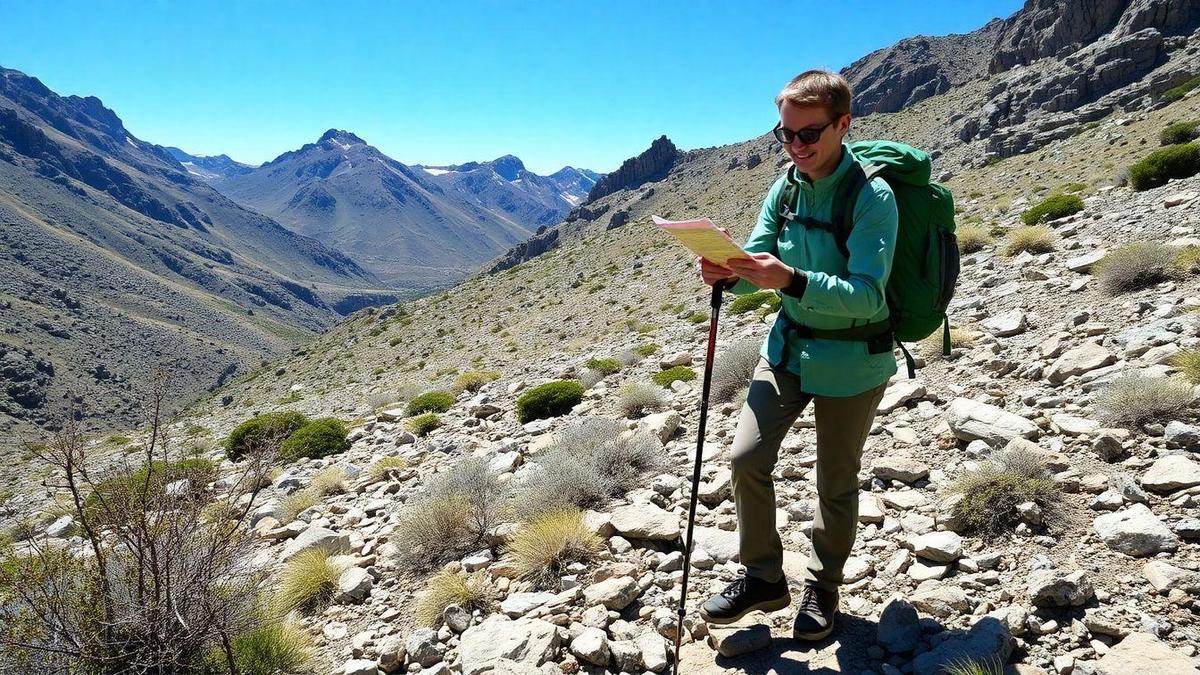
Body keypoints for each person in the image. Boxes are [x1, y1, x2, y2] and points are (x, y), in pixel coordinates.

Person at [695, 69, 899, 641]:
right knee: (745, 458)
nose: (796, 147)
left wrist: (789, 279)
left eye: (809, 134)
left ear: (843, 125)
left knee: (835, 480)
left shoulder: (871, 196)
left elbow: (867, 294)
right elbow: (758, 258)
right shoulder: (785, 187)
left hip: (854, 358)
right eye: (785, 134)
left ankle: (823, 586)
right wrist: (727, 272)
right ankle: (763, 576)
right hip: (788, 348)